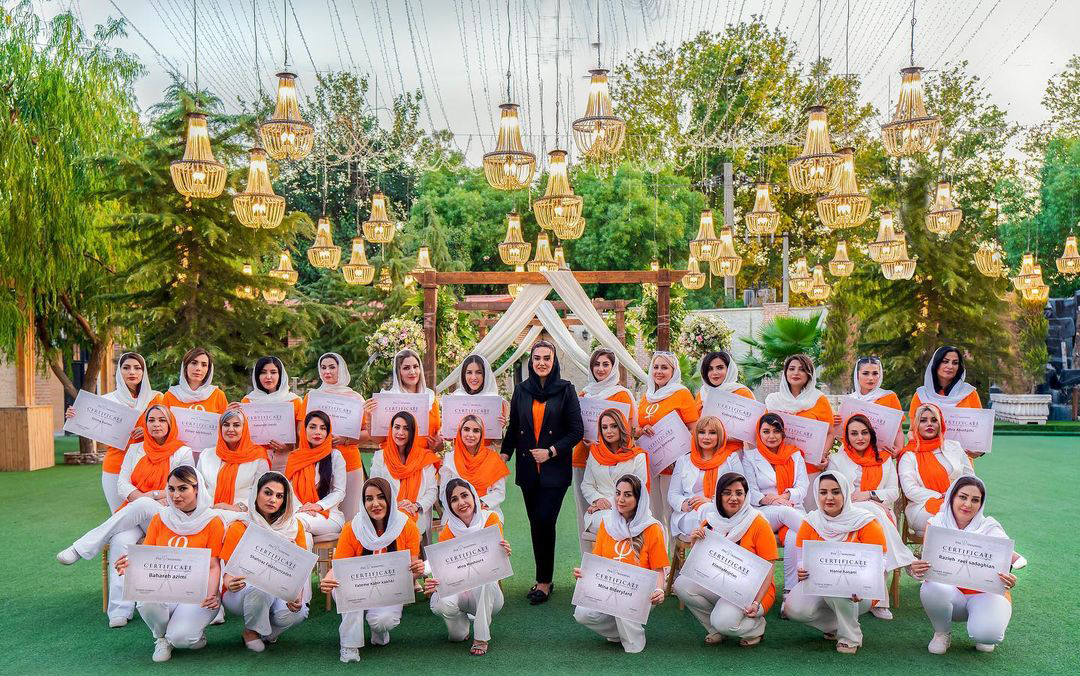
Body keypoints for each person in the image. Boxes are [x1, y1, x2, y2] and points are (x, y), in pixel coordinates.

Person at [57, 404, 194, 627]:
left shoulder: (182, 452)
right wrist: (144, 498)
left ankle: (81, 547)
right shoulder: (136, 449)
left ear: (170, 425)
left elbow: (183, 489)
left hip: (168, 517)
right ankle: (119, 610)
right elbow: (122, 484)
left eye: (162, 420)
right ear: (145, 424)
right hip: (137, 512)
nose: (156, 424)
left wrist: (152, 496)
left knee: (144, 504)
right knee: (121, 541)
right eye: (151, 420)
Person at [501, 340, 583, 605]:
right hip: (528, 470)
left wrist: (551, 451)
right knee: (537, 523)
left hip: (555, 470)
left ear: (554, 361)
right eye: (537, 358)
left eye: (547, 358)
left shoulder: (566, 390)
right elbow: (514, 427)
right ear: (531, 361)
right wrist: (504, 455)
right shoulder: (521, 390)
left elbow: (576, 431)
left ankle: (544, 582)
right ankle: (543, 579)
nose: (542, 363)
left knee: (544, 520)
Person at [114, 466, 224, 662]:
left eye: (183, 488)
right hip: (165, 589)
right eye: (171, 489)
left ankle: (186, 635)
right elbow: (146, 557)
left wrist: (212, 594)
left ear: (197, 489)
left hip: (197, 593)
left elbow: (214, 564)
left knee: (182, 638)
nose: (175, 495)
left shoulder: (213, 521)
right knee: (146, 599)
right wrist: (129, 566)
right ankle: (162, 638)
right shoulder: (161, 518)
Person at [320, 478, 425, 663]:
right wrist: (328, 578)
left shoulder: (407, 526)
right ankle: (349, 645)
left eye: (381, 497)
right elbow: (339, 567)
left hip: (389, 590)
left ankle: (379, 630)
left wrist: (417, 570)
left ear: (390, 499)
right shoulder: (352, 528)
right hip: (357, 589)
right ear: (363, 502)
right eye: (369, 499)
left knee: (383, 621)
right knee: (345, 587)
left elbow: (412, 571)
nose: (375, 503)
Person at [910, 476, 1018, 654]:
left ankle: (983, 627)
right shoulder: (936, 523)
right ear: (952, 497)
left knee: (987, 637)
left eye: (975, 500)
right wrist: (917, 570)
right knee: (932, 587)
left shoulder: (990, 527)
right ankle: (942, 633)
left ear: (981, 504)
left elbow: (1011, 560)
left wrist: (1010, 578)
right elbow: (928, 565)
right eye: (963, 497)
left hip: (985, 595)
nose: (968, 504)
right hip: (951, 595)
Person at [783, 470, 887, 655]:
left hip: (860, 593)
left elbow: (881, 563)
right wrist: (801, 569)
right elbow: (802, 559)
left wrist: (863, 586)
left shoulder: (865, 522)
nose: (829, 498)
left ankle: (850, 637)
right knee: (794, 609)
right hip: (819, 586)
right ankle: (834, 626)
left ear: (845, 493)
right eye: (823, 492)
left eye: (836, 492)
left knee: (838, 586)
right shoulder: (811, 522)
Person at [672, 472, 778, 646]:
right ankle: (715, 629)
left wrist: (756, 602)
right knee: (682, 584)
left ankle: (756, 628)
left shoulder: (759, 523)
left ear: (746, 496)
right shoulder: (710, 522)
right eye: (727, 493)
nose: (733, 498)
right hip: (720, 585)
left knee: (723, 622)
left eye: (739, 493)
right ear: (719, 496)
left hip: (752, 591)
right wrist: (695, 543)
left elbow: (769, 569)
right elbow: (700, 567)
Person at [827, 414, 916, 620]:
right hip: (847, 512)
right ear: (847, 437)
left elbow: (893, 492)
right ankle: (901, 567)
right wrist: (868, 501)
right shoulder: (837, 459)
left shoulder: (884, 458)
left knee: (874, 520)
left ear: (871, 434)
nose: (860, 438)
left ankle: (878, 598)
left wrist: (869, 495)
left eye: (864, 433)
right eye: (854, 433)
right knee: (873, 513)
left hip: (878, 510)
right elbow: (836, 491)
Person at [572, 474, 667, 653]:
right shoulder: (607, 524)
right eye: (617, 493)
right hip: (609, 588)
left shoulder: (652, 528)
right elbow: (597, 563)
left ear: (639, 499)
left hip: (641, 592)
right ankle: (621, 633)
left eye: (627, 495)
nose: (620, 499)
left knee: (622, 603)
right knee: (582, 613)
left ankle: (634, 642)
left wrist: (659, 590)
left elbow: (658, 568)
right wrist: (584, 574)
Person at [221, 472, 310, 652]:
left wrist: (297, 596)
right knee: (261, 588)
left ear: (285, 500)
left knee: (299, 612)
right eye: (267, 493)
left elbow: (299, 571)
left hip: (279, 590)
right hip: (241, 592)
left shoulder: (294, 527)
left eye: (279, 496)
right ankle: (252, 632)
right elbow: (228, 572)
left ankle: (266, 634)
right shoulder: (240, 526)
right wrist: (229, 583)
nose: (273, 500)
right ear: (256, 494)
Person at [65, 352, 163, 512]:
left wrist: (148, 432)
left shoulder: (156, 399)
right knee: (118, 517)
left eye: (137, 368)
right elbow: (89, 423)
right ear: (119, 371)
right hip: (116, 465)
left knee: (148, 517)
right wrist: (75, 415)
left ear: (143, 372)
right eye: (126, 368)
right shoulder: (107, 401)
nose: (132, 372)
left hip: (149, 466)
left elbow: (169, 430)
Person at [424, 478, 511, 657]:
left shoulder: (490, 518)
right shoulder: (448, 530)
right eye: (454, 499)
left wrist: (504, 552)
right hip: (461, 591)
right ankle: (460, 626)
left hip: (489, 595)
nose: (461, 502)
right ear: (449, 506)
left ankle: (481, 637)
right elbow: (442, 566)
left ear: (474, 496)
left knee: (485, 579)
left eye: (465, 495)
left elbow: (496, 560)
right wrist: (431, 578)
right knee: (441, 605)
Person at [573, 348, 637, 543]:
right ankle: (588, 558)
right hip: (583, 457)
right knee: (586, 513)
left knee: (616, 508)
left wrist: (604, 442)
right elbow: (575, 425)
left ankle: (616, 555)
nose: (600, 369)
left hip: (614, 460)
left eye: (605, 364)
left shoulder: (622, 395)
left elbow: (631, 431)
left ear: (613, 367)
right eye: (596, 364)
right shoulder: (584, 394)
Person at [742, 413, 807, 593]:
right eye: (766, 431)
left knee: (793, 535)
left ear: (783, 433)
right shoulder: (750, 457)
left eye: (776, 431)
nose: (771, 436)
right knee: (786, 513)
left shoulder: (794, 455)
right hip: (763, 511)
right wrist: (771, 499)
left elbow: (803, 486)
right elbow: (750, 490)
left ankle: (790, 591)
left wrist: (784, 497)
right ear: (759, 433)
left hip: (792, 506)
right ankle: (820, 540)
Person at [636, 351, 699, 534]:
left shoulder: (681, 393)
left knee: (670, 514)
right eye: (655, 367)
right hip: (649, 463)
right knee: (653, 512)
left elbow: (694, 429)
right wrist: (641, 430)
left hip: (672, 465)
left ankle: (675, 553)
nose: (659, 371)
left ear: (673, 371)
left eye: (664, 367)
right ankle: (659, 551)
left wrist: (677, 456)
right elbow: (637, 428)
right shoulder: (647, 396)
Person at [764, 354, 835, 509]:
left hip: (810, 468)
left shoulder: (818, 399)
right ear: (785, 373)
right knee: (782, 512)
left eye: (802, 369)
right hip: (779, 466)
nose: (796, 373)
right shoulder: (773, 401)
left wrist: (823, 454)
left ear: (809, 374)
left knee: (810, 513)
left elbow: (830, 432)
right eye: (791, 369)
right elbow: (764, 432)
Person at [305, 353, 367, 518]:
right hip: (317, 463)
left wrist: (345, 439)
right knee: (318, 513)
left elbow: (367, 432)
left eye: (332, 367)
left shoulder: (355, 399)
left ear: (341, 369)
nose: (327, 371)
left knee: (351, 515)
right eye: (323, 367)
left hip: (349, 462)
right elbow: (302, 430)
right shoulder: (312, 397)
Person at [898, 403, 973, 536]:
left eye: (934, 420)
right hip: (922, 507)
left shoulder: (954, 447)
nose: (929, 424)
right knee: (953, 514)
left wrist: (956, 497)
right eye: (923, 420)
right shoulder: (909, 455)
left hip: (958, 503)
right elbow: (910, 490)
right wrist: (944, 497)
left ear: (940, 424)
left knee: (975, 517)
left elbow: (970, 480)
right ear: (916, 425)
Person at [668, 416, 745, 541]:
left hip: (723, 510)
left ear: (720, 436)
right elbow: (673, 494)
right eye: (702, 432)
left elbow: (742, 490)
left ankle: (710, 549)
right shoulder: (684, 460)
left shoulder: (731, 459)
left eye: (712, 433)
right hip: (691, 514)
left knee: (709, 509)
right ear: (696, 435)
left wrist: (712, 501)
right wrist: (685, 503)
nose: (706, 437)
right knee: (708, 513)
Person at [369, 411, 441, 534]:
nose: (400, 432)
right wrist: (395, 506)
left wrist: (416, 506)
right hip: (387, 517)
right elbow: (374, 489)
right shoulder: (380, 457)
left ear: (413, 432)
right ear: (391, 429)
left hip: (416, 517)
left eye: (406, 428)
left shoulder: (425, 458)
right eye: (397, 427)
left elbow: (432, 491)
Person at [581, 409, 649, 534]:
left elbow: (639, 490)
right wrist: (598, 500)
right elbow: (587, 485)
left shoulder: (637, 456)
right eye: (604, 427)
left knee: (624, 523)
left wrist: (607, 503)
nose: (609, 431)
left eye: (614, 426)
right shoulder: (595, 453)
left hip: (630, 511)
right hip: (600, 513)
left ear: (622, 427)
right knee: (611, 522)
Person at [196, 410, 270, 524]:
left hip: (243, 516)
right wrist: (209, 507)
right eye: (226, 425)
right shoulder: (206, 455)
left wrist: (238, 507)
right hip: (207, 513)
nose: (230, 429)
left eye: (236, 425)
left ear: (244, 428)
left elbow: (262, 491)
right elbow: (198, 488)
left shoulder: (258, 457)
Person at [364, 349, 442, 451]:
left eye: (415, 366)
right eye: (406, 368)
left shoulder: (431, 398)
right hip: (393, 457)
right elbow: (378, 440)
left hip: (424, 457)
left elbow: (437, 440)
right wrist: (369, 418)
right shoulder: (387, 399)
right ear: (398, 372)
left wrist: (438, 445)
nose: (412, 372)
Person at [286, 411, 346, 537]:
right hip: (298, 511)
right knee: (303, 533)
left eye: (323, 428)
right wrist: (301, 508)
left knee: (294, 522)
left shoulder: (335, 456)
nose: (318, 432)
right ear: (304, 430)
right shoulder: (294, 457)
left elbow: (339, 491)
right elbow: (288, 490)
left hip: (329, 515)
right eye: (312, 427)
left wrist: (318, 506)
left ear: (328, 432)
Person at [440, 415, 510, 522]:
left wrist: (479, 504)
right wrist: (463, 507)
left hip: (486, 510)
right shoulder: (450, 458)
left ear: (482, 434)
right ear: (460, 432)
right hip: (457, 513)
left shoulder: (493, 458)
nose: (470, 435)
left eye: (476, 431)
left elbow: (499, 492)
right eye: (466, 429)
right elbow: (444, 492)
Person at [237, 356, 302, 468]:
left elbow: (302, 435)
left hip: (286, 459)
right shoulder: (248, 401)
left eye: (273, 372)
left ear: (280, 375)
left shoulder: (294, 401)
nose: (268, 377)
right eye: (263, 372)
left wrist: (289, 447)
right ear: (257, 376)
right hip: (254, 459)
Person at [696, 350, 757, 454]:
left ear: (729, 370)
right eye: (710, 369)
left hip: (732, 454)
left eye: (720, 368)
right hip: (704, 453)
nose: (714, 373)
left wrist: (720, 437)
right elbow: (695, 426)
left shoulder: (742, 393)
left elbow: (752, 431)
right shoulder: (701, 395)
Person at [841, 356, 905, 453]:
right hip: (852, 453)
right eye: (865, 373)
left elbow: (898, 431)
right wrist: (835, 424)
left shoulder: (889, 397)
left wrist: (899, 449)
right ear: (857, 375)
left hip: (880, 453)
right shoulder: (850, 400)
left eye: (875, 373)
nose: (871, 378)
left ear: (880, 374)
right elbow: (842, 433)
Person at [909, 345, 983, 421]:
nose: (950, 366)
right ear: (936, 364)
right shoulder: (922, 395)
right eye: (945, 361)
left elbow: (980, 423)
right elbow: (913, 427)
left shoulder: (969, 393)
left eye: (955, 363)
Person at [454, 353, 510, 442]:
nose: (473, 377)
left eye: (479, 372)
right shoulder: (456, 398)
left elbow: (498, 441)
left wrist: (500, 427)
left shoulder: (496, 402)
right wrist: (445, 434)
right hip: (460, 450)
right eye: (469, 372)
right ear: (463, 375)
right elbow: (451, 436)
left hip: (487, 449)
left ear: (485, 375)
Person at [162, 347, 228, 413]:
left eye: (204, 365)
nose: (198, 368)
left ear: (209, 370)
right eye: (194, 363)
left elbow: (227, 418)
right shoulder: (171, 395)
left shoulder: (218, 395)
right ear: (185, 366)